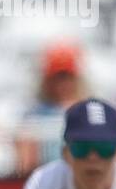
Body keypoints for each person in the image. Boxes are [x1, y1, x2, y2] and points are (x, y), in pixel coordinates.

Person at [16, 42, 89, 175]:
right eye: (58, 77)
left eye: (67, 77)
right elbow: (25, 160)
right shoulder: (35, 113)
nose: (63, 83)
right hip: (46, 177)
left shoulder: (89, 111)